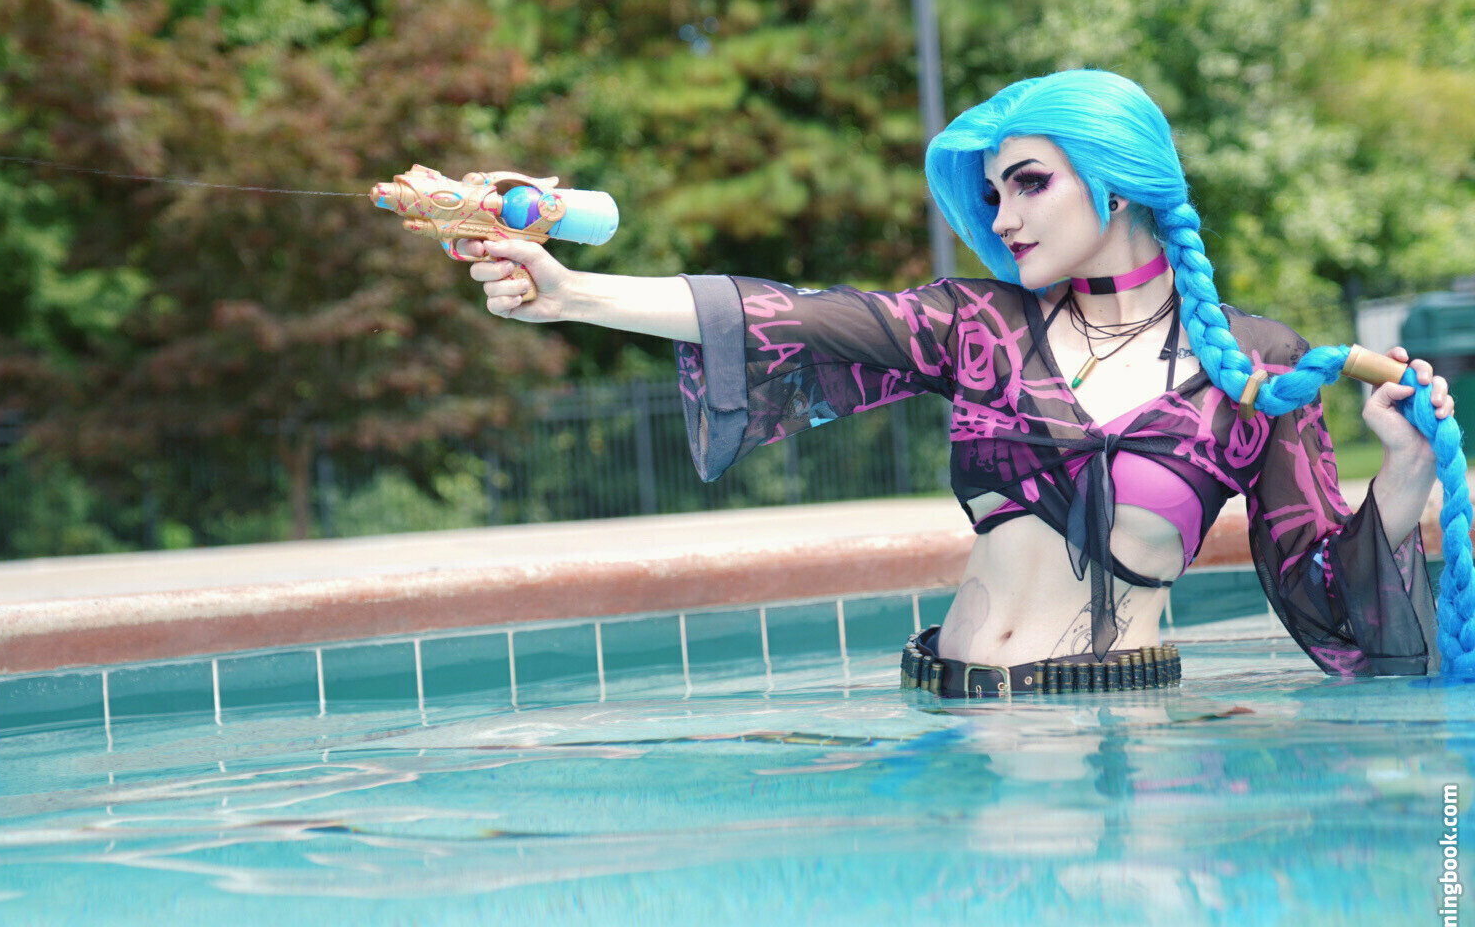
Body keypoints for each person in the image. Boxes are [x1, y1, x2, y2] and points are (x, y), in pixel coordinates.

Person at [458, 69, 1457, 697]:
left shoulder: (1258, 368)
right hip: (948, 718)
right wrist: (570, 293)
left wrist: (1405, 469)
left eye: (1029, 181)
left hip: (1116, 729)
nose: (1003, 216)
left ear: (1116, 184)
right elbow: (782, 313)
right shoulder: (977, 325)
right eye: (992, 193)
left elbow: (1331, 602)